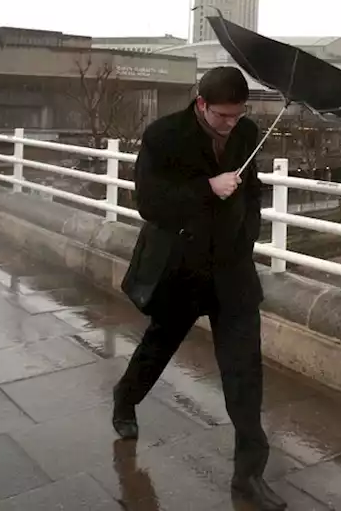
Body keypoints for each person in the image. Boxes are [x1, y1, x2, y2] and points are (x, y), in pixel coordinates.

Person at [114, 67, 285, 511]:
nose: (232, 123)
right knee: (158, 345)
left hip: (232, 270)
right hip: (181, 268)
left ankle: (249, 476)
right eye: (224, 116)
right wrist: (207, 188)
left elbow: (252, 191)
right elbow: (149, 203)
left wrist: (247, 232)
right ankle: (125, 398)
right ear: (201, 103)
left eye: (238, 115)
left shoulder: (247, 133)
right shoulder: (163, 136)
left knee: (245, 373)